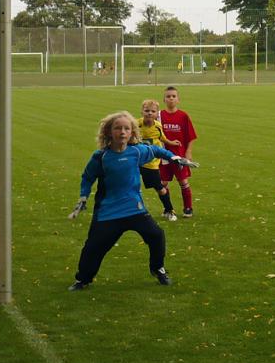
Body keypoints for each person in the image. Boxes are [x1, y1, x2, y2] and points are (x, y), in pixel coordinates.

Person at [66, 111, 198, 291]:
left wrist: (175, 158)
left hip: (134, 209)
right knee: (94, 247)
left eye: (126, 128)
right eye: (117, 128)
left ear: (132, 132)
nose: (122, 132)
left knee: (156, 235)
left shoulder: (136, 151)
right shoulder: (100, 156)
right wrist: (83, 196)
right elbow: (87, 177)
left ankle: (158, 269)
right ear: (109, 131)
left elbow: (156, 150)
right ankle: (83, 279)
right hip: (108, 212)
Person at [138, 99, 181, 221]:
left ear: (157, 113)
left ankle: (169, 210)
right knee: (131, 186)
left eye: (153, 111)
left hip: (150, 163)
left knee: (160, 188)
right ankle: (135, 212)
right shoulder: (136, 125)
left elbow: (162, 138)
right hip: (135, 161)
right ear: (142, 111)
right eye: (147, 110)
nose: (149, 113)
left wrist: (171, 142)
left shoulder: (157, 126)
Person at [159, 86, 198, 218]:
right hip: (163, 156)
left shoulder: (183, 116)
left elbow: (191, 136)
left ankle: (188, 208)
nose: (171, 98)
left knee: (183, 181)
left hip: (179, 156)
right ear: (164, 99)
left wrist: (188, 152)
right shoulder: (159, 116)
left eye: (173, 96)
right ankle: (168, 209)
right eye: (168, 96)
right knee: (163, 183)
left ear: (178, 99)